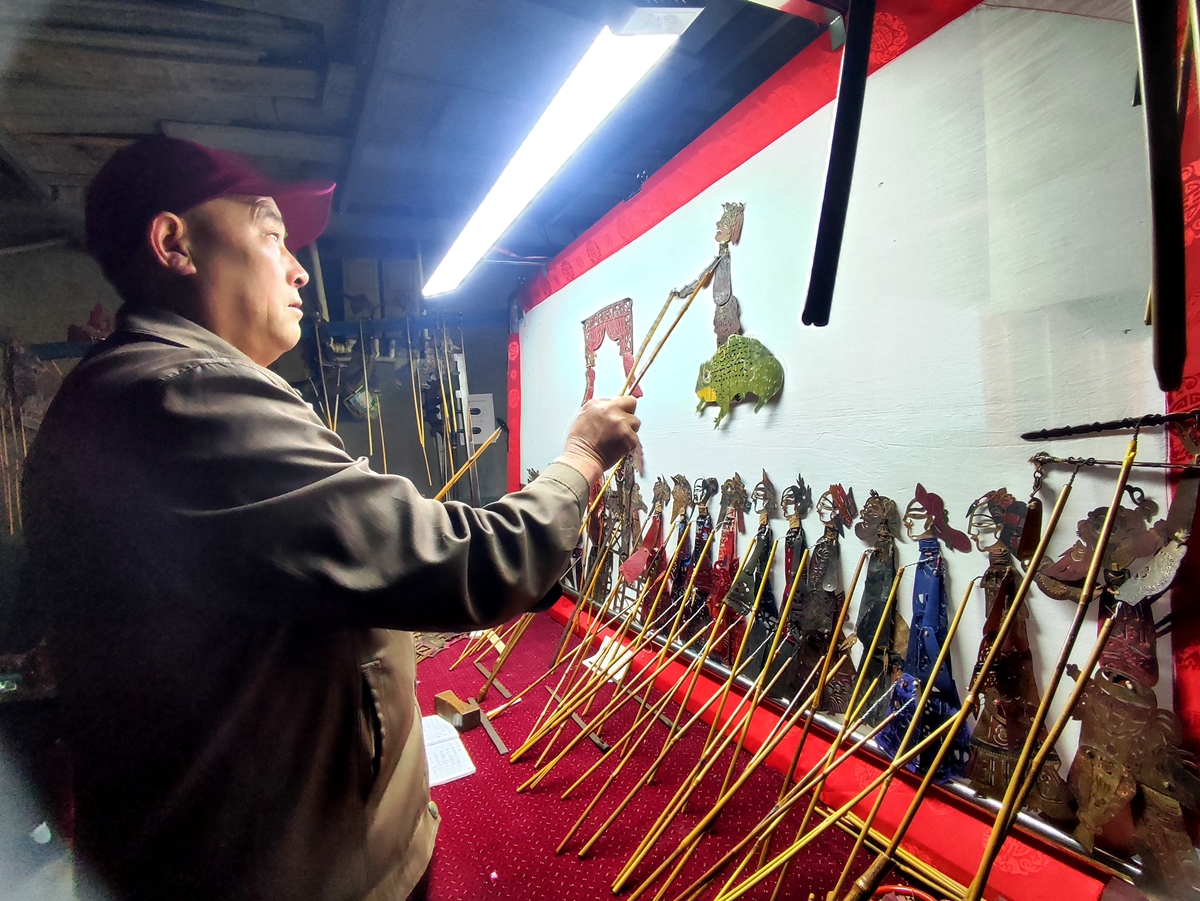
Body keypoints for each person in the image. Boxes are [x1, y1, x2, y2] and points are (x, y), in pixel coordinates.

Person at [20, 136, 640, 901]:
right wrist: (581, 458)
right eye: (272, 234)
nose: (300, 268)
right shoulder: (183, 397)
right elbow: (467, 563)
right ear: (175, 243)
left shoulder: (133, 391)